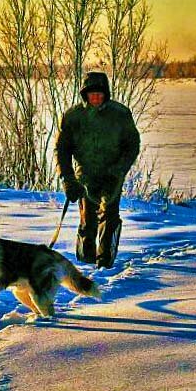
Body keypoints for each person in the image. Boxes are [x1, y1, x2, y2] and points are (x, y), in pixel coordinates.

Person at [55, 71, 140, 268]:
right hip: (85, 173)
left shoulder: (120, 114)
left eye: (99, 94)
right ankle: (85, 263)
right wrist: (68, 178)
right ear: (85, 94)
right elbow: (62, 149)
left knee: (109, 217)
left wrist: (119, 170)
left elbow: (132, 145)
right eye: (91, 93)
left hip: (112, 173)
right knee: (88, 220)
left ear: (106, 94)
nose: (95, 97)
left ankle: (105, 263)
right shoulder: (73, 116)